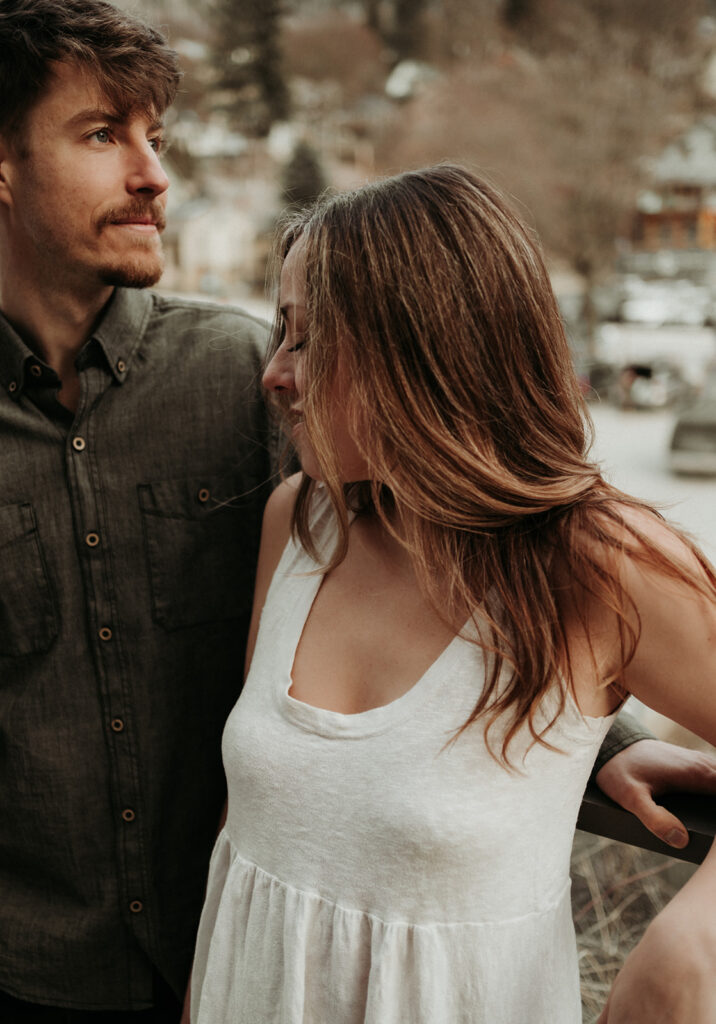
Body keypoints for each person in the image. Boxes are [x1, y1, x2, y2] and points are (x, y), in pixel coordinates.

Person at [0, 1, 711, 1019]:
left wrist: (673, 914)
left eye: (157, 136)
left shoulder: (228, 375)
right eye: (103, 133)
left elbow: (495, 633)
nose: (154, 173)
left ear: (414, 353)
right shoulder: (301, 516)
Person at [189, 166, 716, 1024]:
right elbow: (245, 845)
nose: (273, 375)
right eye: (279, 334)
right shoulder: (300, 522)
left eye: (307, 338)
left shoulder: (602, 568)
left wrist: (693, 940)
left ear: (426, 348)